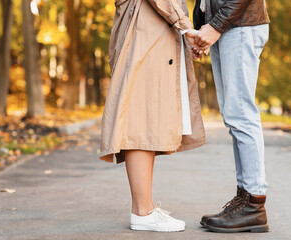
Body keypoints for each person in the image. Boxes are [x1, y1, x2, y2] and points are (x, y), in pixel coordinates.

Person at [101, 0, 206, 232]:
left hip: (150, 25)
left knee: (148, 118)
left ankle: (144, 207)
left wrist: (185, 33)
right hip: (144, 27)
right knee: (140, 119)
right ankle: (142, 211)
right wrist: (186, 27)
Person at [192, 0, 270, 233]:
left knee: (241, 115)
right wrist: (203, 28)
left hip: (240, 24)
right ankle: (244, 198)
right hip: (228, 25)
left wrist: (214, 26)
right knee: (233, 116)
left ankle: (254, 205)